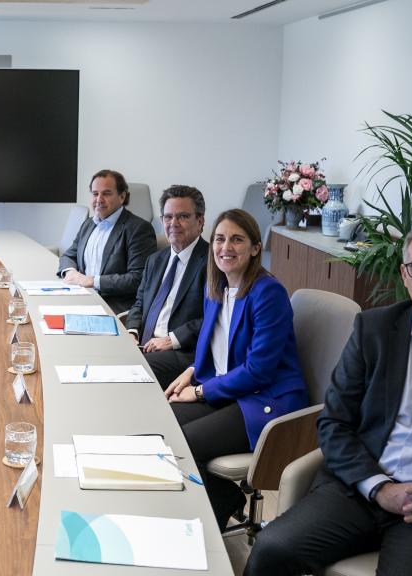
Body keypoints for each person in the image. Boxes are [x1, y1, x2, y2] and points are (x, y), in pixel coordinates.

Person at [246, 220, 412, 576]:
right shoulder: (373, 329)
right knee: (271, 550)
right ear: (404, 274)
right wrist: (379, 487)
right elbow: (334, 422)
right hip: (361, 490)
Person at [164, 208, 307, 531]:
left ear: (256, 248)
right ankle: (217, 498)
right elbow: (215, 348)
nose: (225, 247)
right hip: (232, 389)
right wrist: (191, 372)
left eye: (237, 240)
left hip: (266, 399)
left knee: (182, 441)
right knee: (161, 426)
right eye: (219, 239)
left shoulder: (267, 292)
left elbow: (259, 370)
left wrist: (199, 391)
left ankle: (206, 521)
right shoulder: (217, 286)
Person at [125, 185, 208, 388]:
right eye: (168, 217)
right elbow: (139, 303)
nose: (173, 223)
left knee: (129, 370)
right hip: (144, 345)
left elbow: (214, 317)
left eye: (183, 217)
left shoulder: (212, 262)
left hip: (182, 352)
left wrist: (173, 339)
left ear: (200, 221)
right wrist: (132, 331)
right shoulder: (155, 259)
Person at [57, 169, 157, 314]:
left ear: (122, 197)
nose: (99, 199)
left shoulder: (138, 229)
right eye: (95, 194)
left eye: (106, 193)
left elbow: (138, 278)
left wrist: (92, 281)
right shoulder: (88, 224)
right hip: (82, 298)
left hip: (114, 308)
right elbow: (68, 255)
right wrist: (71, 272)